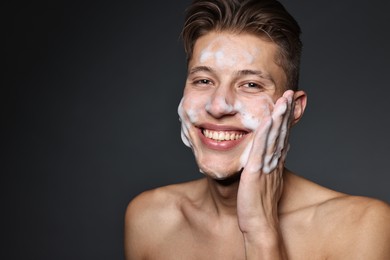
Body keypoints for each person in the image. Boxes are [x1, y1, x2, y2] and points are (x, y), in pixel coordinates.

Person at [124, 0, 390, 259]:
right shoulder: (150, 219)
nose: (218, 106)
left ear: (293, 109)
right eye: (204, 80)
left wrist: (260, 231)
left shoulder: (361, 227)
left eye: (250, 85)